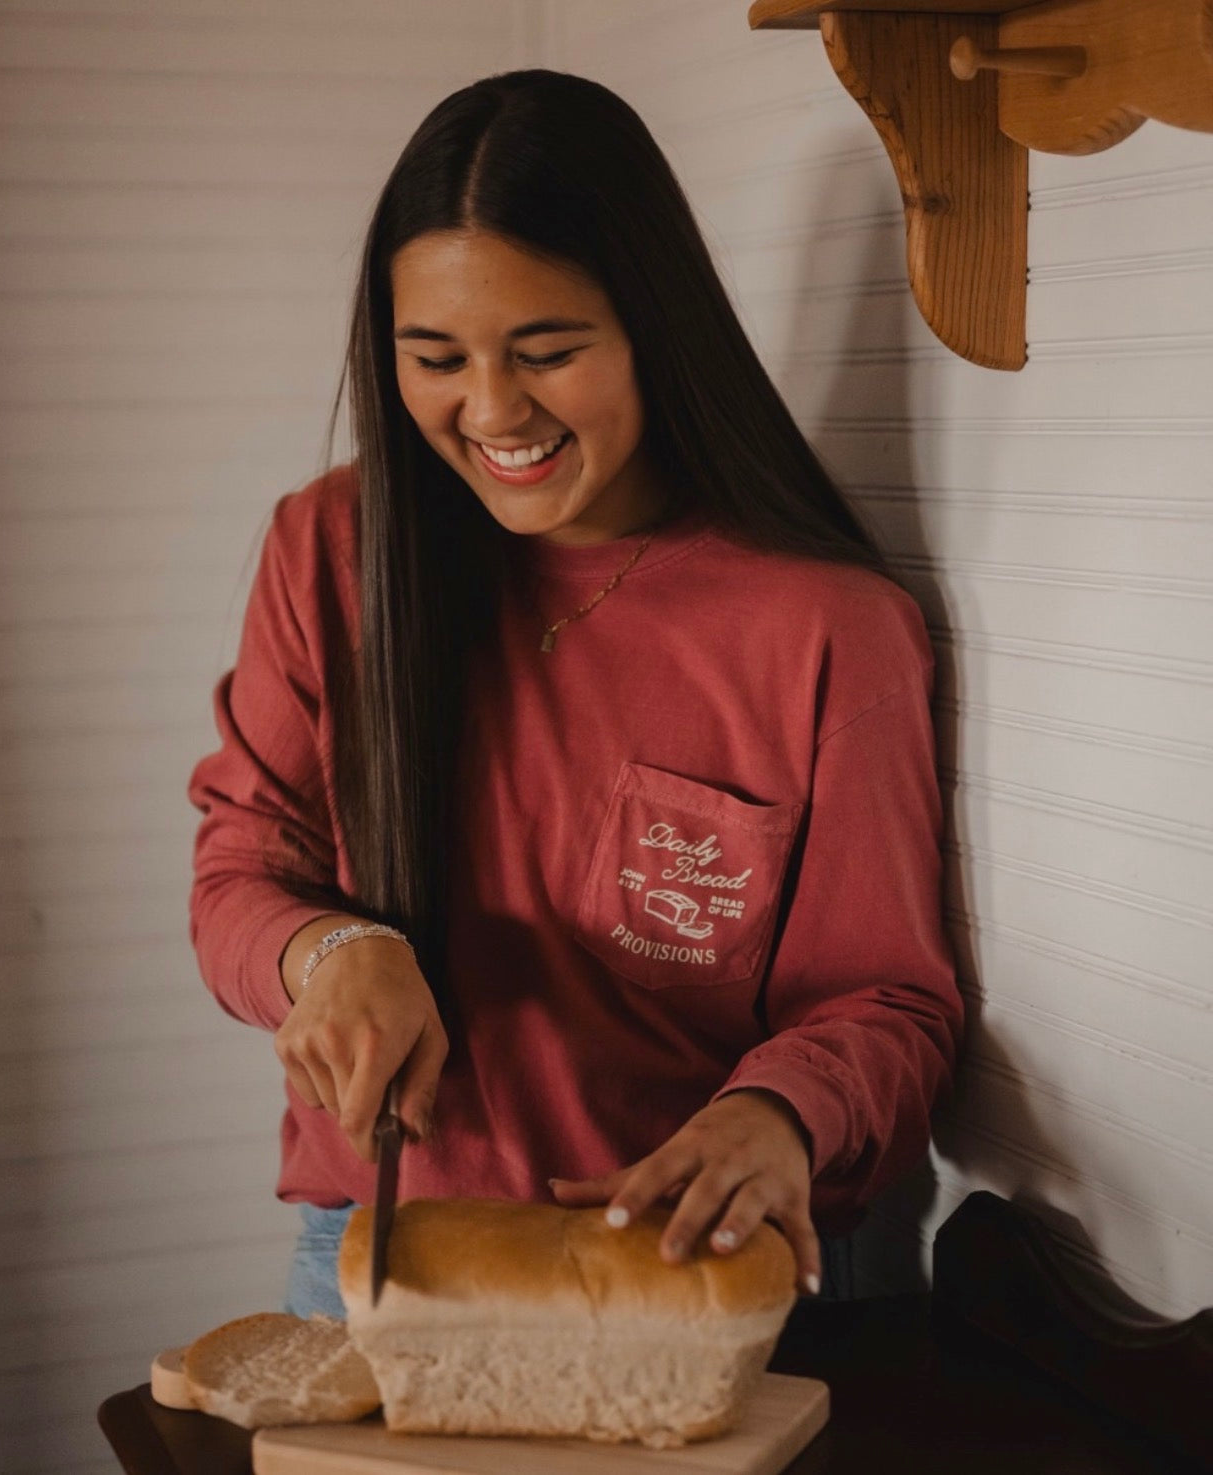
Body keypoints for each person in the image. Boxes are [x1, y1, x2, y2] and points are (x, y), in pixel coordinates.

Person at [187, 68, 962, 1320]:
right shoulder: (329, 550)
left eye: (547, 352)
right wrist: (335, 951)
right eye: (436, 358)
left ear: (655, 325)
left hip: (690, 1269)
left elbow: (888, 1002)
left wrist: (779, 1110)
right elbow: (238, 875)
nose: (493, 409)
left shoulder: (829, 626)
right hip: (382, 1251)